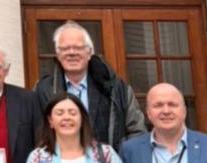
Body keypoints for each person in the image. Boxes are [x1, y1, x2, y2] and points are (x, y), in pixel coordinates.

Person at [34, 20, 146, 152]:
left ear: (89, 53)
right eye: (65, 48)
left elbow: (137, 132)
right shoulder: (42, 89)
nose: (72, 53)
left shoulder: (116, 88)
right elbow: (37, 134)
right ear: (58, 54)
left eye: (78, 48)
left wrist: (117, 161)